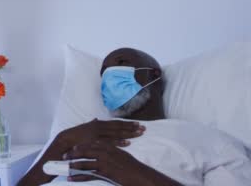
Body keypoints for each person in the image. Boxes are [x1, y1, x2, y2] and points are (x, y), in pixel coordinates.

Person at [19, 48, 251, 186]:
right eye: (103, 74)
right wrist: (60, 142)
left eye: (121, 62)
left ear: (154, 74)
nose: (110, 76)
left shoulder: (209, 141)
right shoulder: (75, 136)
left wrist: (134, 175)